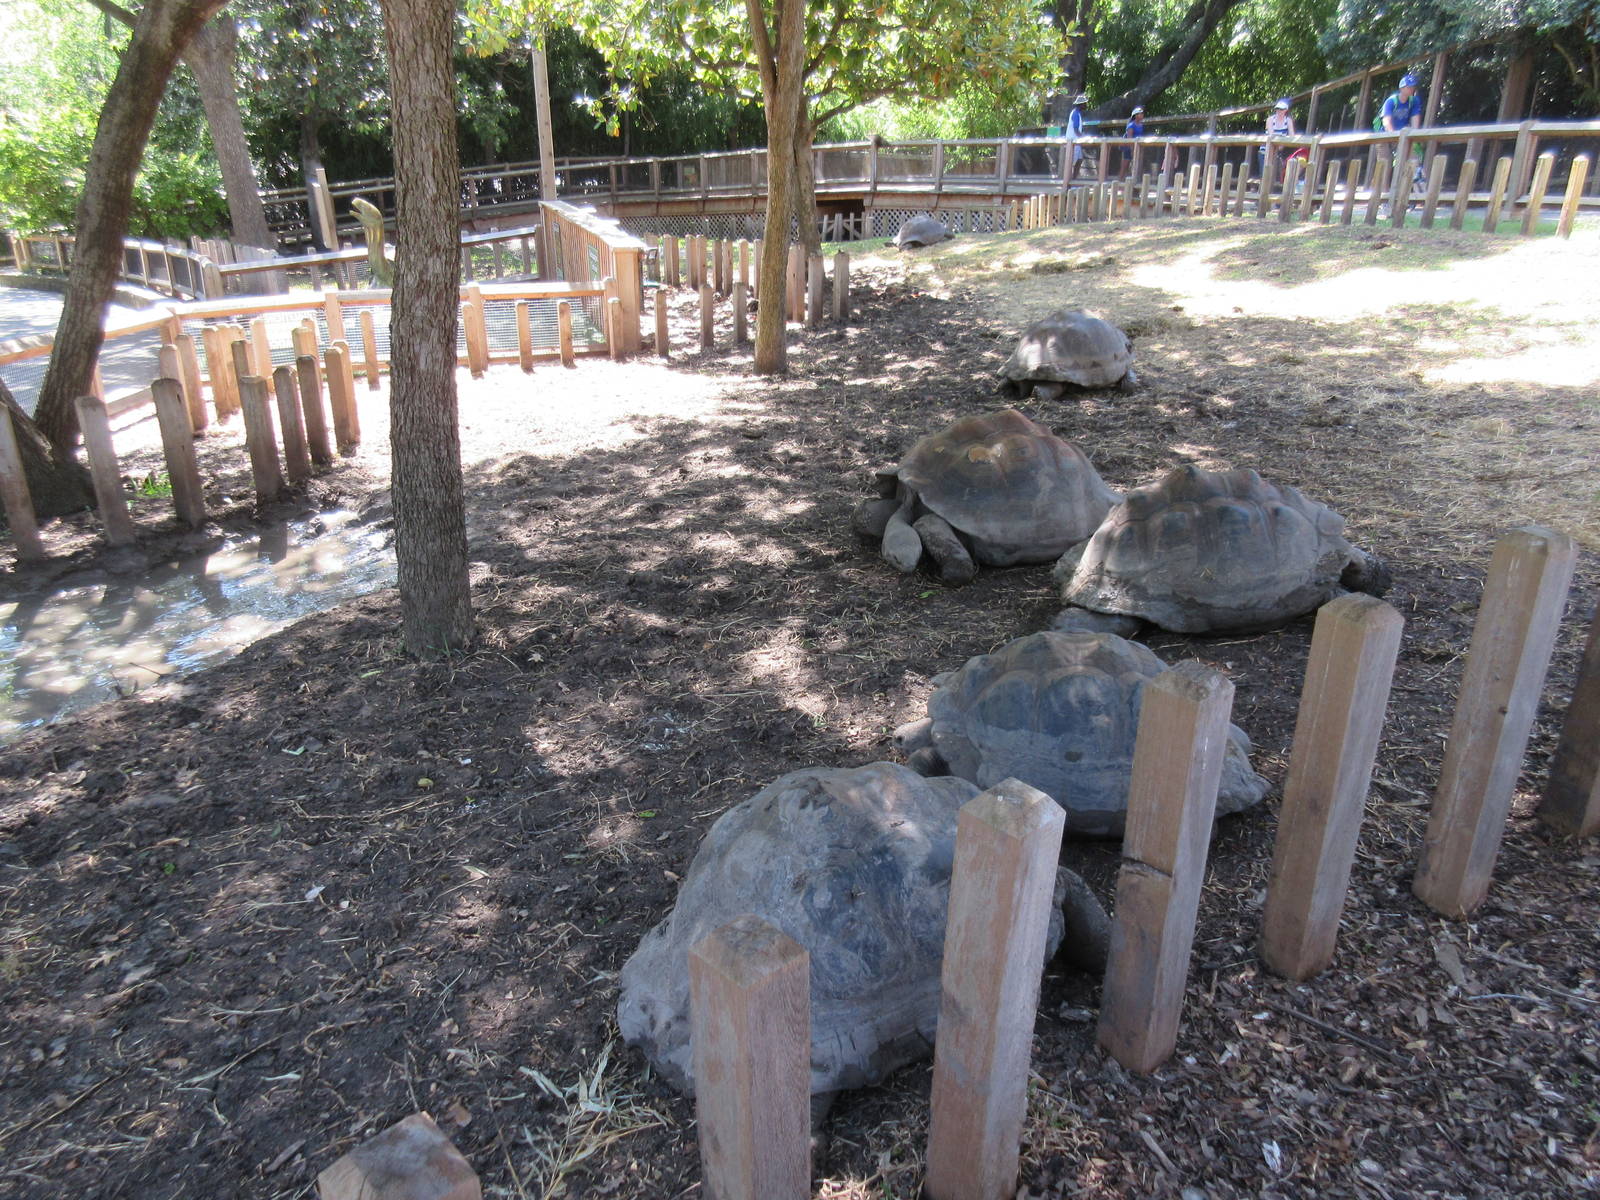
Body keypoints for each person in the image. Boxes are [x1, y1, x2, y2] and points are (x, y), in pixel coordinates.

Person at [1377, 73, 1426, 193]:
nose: (1411, 89)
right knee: (1385, 164)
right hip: (1384, 136)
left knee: (1412, 160)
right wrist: (1394, 136)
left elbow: (1415, 120)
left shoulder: (1413, 101)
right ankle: (1384, 196)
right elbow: (1386, 121)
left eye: (1413, 87)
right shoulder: (1391, 101)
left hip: (1402, 135)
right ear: (1402, 88)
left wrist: (1413, 136)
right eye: (1409, 86)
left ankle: (1408, 193)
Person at [1260, 97, 1294, 176]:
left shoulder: (1288, 120)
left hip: (1278, 151)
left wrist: (1281, 145)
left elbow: (1292, 137)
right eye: (1277, 109)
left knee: (1275, 175)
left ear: (1286, 110)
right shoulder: (1270, 119)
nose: (1278, 111)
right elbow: (1271, 136)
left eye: (1281, 109)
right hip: (1265, 150)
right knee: (1265, 174)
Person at [1069, 93, 1089, 178]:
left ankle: (1074, 178)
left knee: (1080, 159)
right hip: (1073, 141)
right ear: (1081, 104)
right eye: (1085, 103)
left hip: (1076, 141)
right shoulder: (1076, 113)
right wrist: (1083, 138)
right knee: (1071, 162)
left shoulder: (1077, 113)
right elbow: (1076, 129)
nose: (1086, 105)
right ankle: (1069, 180)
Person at [1122, 105, 1145, 178]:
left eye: (1142, 113)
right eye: (1140, 113)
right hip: (1128, 148)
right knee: (1125, 165)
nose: (1142, 115)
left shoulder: (1141, 125)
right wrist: (1132, 150)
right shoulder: (1131, 125)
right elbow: (1129, 138)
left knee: (1137, 165)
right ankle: (1119, 182)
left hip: (1137, 147)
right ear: (1136, 115)